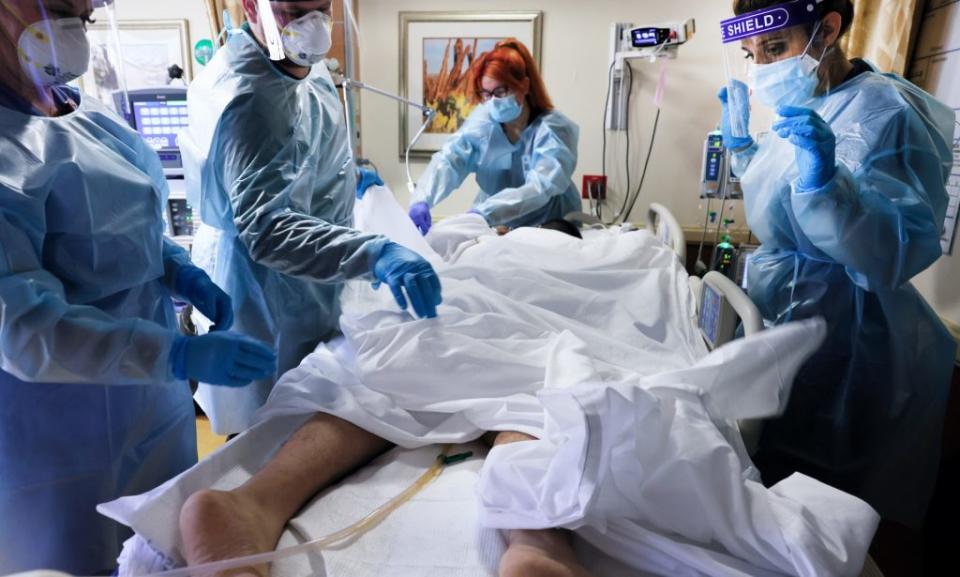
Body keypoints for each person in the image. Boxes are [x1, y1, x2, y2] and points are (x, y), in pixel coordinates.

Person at [0, 0, 277, 573]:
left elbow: (133, 227)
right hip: (57, 436)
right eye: (59, 9)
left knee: (164, 545)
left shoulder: (86, 115)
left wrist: (179, 269)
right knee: (83, 559)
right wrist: (173, 352)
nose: (77, 25)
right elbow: (24, 328)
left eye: (86, 14)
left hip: (152, 407)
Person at [717, 0, 956, 528]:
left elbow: (892, 248)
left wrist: (828, 188)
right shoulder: (810, 107)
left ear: (828, 29)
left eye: (775, 48)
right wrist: (742, 151)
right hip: (785, 309)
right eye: (751, 53)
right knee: (769, 473)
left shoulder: (884, 112)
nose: (763, 68)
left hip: (846, 332)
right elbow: (780, 206)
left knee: (819, 496)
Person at [183, 0, 442, 436]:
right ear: (252, 6)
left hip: (308, 280)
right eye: (295, 9)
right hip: (265, 292)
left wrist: (341, 174)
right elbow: (267, 229)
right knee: (271, 431)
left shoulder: (298, 64)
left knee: (314, 405)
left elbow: (299, 146)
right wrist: (375, 253)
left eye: (321, 8)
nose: (313, 25)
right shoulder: (249, 99)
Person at [408, 38, 582, 235]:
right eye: (485, 93)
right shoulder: (483, 123)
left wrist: (485, 212)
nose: (492, 102)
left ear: (524, 86)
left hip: (549, 225)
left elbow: (541, 187)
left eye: (501, 91)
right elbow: (450, 160)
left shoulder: (554, 130)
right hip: (494, 226)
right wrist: (421, 198)